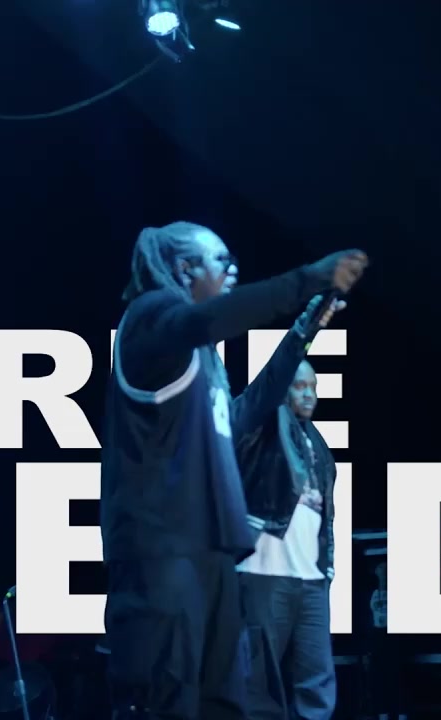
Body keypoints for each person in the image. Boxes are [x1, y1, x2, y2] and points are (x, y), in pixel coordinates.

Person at [100, 220, 368, 720]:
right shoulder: (150, 319)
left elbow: (251, 409)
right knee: (165, 701)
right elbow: (207, 320)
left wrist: (304, 330)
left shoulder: (203, 360)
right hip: (162, 552)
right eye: (221, 261)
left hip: (213, 556)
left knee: (224, 703)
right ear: (185, 269)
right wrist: (307, 278)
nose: (234, 270)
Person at [235, 355, 342, 718]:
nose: (309, 394)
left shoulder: (319, 444)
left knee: (317, 680)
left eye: (314, 387)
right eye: (299, 386)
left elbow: (325, 513)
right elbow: (262, 395)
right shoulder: (262, 427)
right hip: (263, 573)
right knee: (258, 681)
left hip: (310, 578)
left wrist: (327, 567)